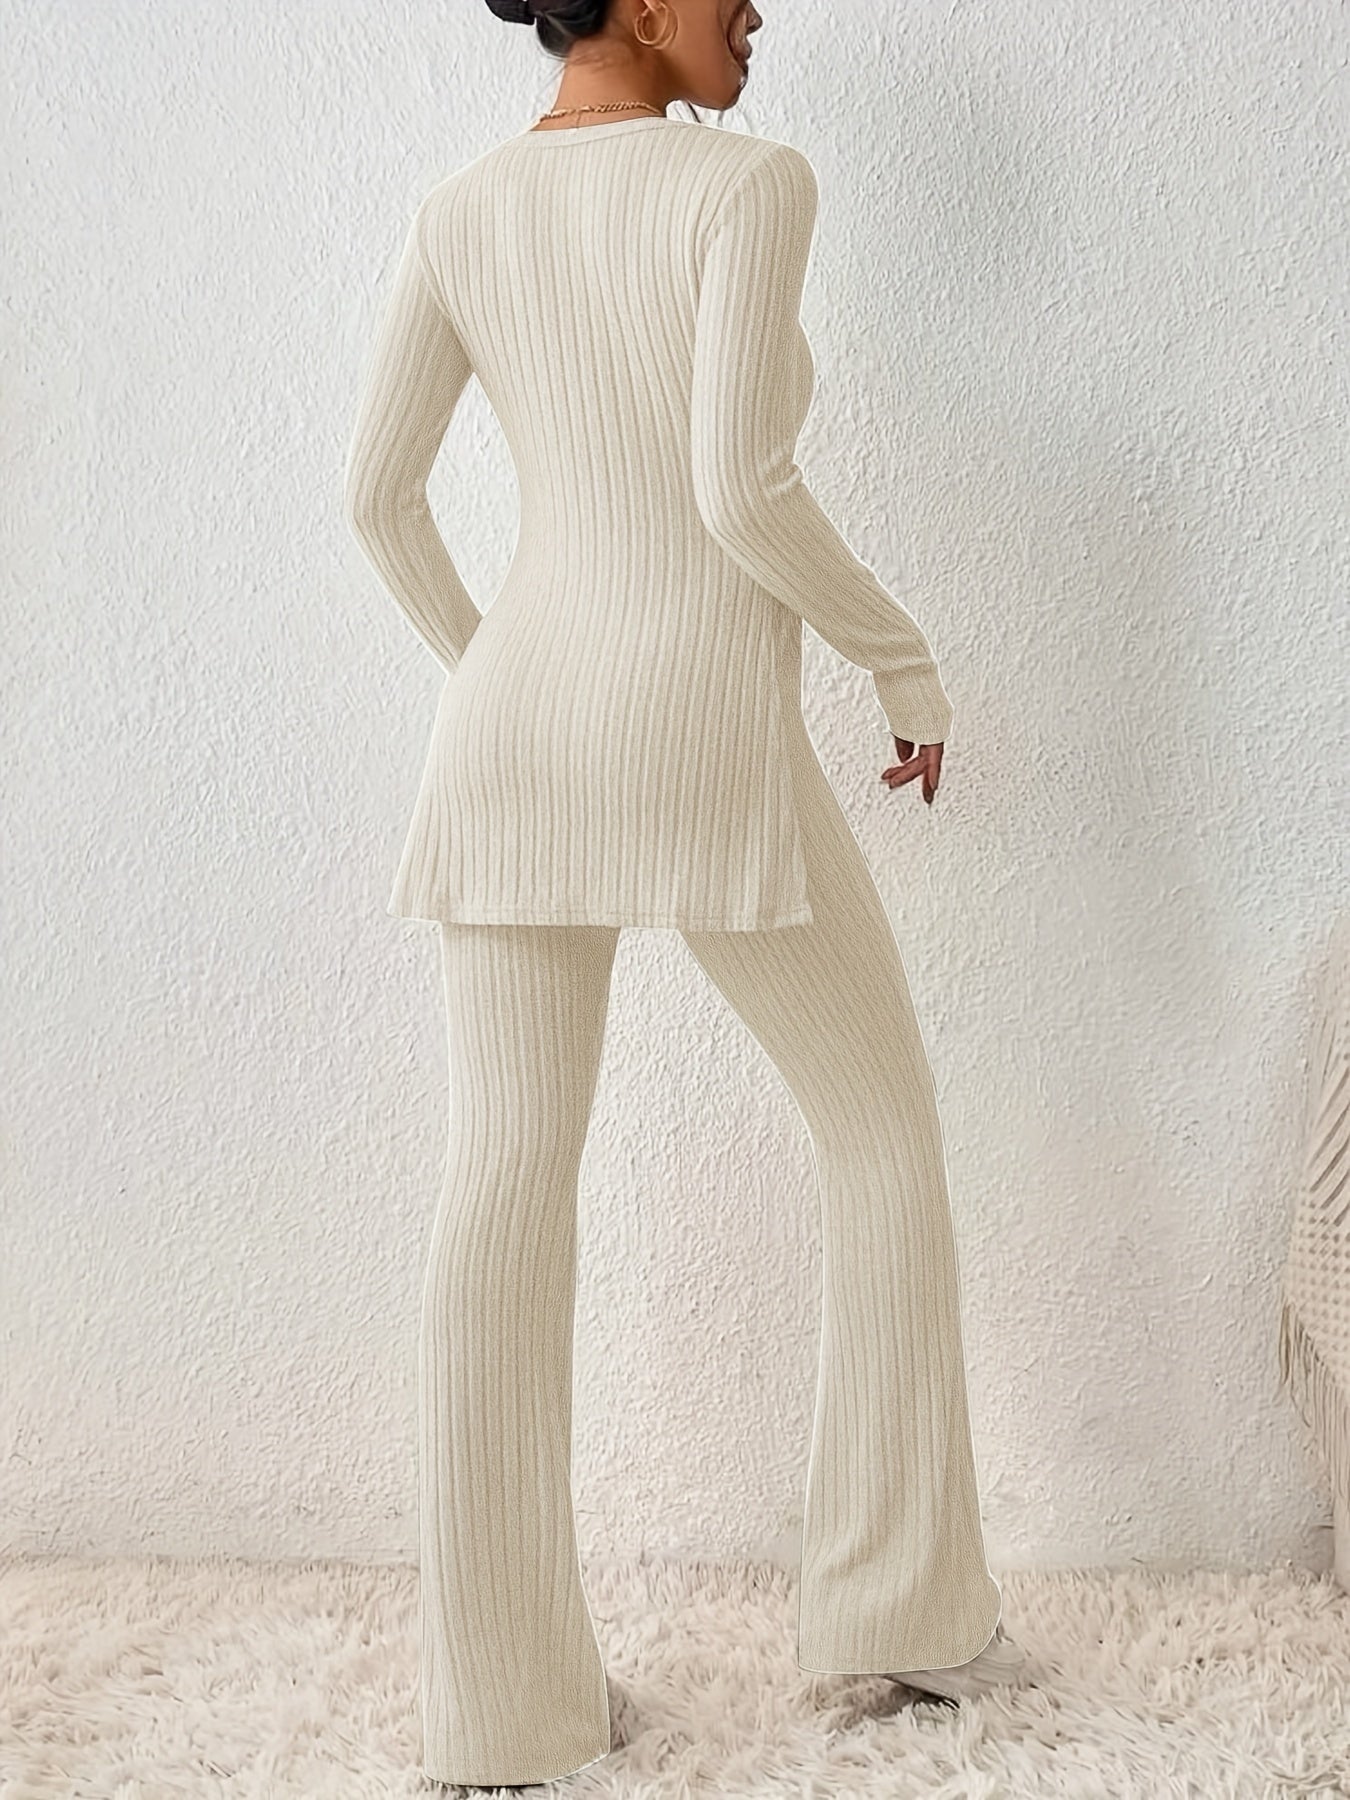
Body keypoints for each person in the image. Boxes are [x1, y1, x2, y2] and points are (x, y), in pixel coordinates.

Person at [343, 0, 1027, 1786]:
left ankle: (498, 1711)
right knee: (878, 1134)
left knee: (500, 1185)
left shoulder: (459, 210)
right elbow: (739, 484)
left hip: (508, 734)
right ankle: (892, 1612)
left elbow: (376, 499)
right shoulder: (744, 186)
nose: (753, 9)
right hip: (705, 725)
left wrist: (503, 674)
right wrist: (898, 659)